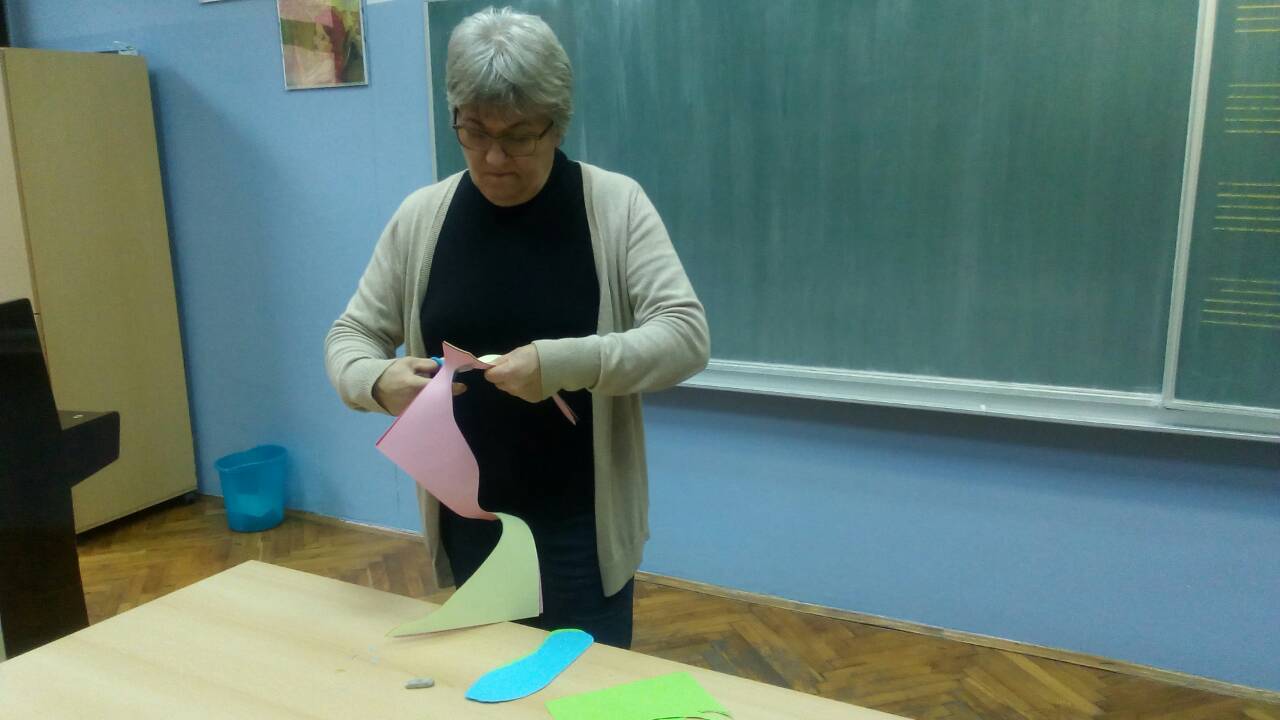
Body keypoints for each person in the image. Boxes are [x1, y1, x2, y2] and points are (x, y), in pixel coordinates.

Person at [323, 6, 708, 649]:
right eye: (473, 132)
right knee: (481, 678)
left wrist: (560, 364)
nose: (494, 157)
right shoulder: (422, 217)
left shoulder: (615, 207)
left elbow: (685, 336)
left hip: (580, 529)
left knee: (584, 686)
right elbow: (350, 336)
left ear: (556, 125)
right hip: (468, 519)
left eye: (519, 135)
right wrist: (375, 380)